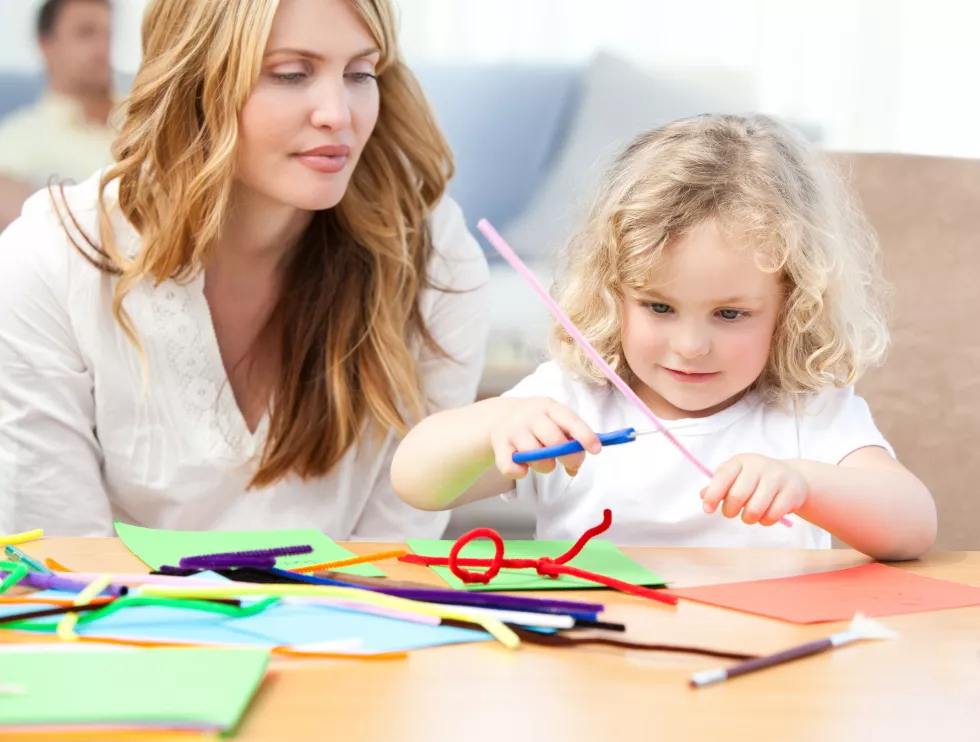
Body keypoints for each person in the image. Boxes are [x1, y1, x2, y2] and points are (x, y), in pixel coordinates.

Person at [0, 0, 490, 539]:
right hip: (113, 622)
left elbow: (392, 563)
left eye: (359, 73)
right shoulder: (50, 259)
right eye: (290, 74)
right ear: (194, 80)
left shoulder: (430, 257)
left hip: (352, 621)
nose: (338, 113)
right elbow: (61, 561)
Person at [392, 114, 937, 561]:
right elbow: (416, 482)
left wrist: (808, 484)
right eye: (658, 307)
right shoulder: (572, 399)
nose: (691, 345)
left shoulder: (805, 414)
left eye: (729, 314)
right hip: (590, 672)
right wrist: (493, 425)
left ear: (792, 307)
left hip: (762, 675)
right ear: (612, 292)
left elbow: (913, 526)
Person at [0, 0, 116, 230]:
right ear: (46, 45)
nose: (102, 48)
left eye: (108, 34)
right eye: (85, 33)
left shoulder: (149, 114)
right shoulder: (17, 142)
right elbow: (32, 238)